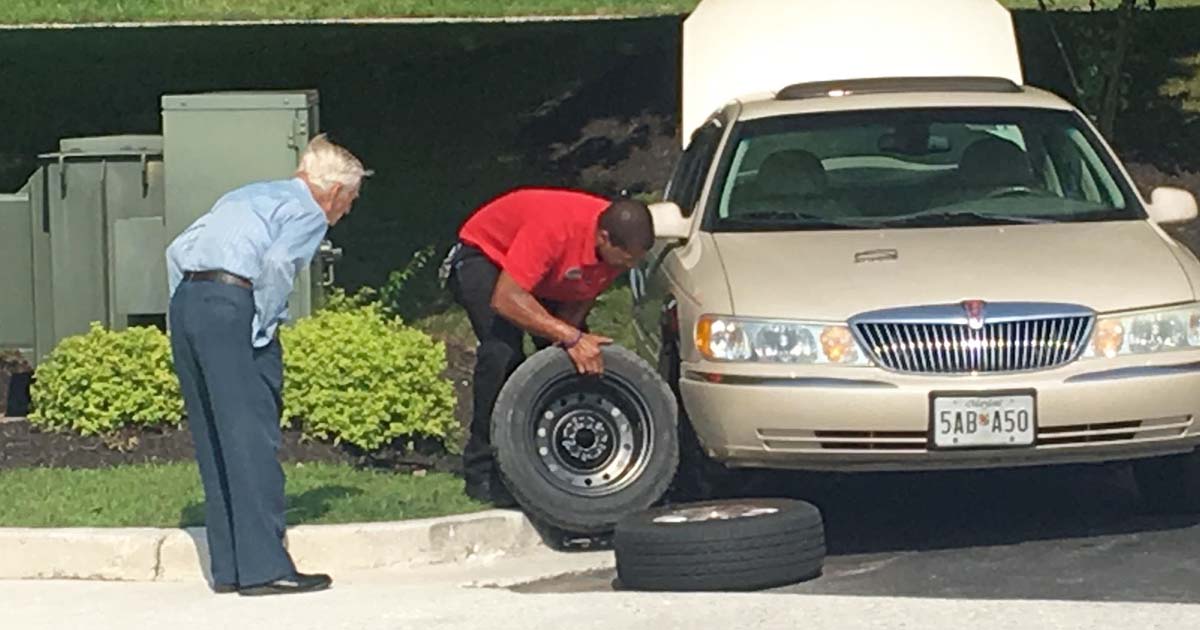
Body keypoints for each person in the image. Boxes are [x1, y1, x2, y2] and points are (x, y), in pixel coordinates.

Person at [165, 134, 370, 596]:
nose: (345, 212)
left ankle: (230, 567)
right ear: (334, 192)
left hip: (189, 302)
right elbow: (277, 264)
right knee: (250, 433)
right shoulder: (309, 212)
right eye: (350, 201)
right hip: (233, 303)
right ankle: (263, 569)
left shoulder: (248, 194)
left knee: (213, 436)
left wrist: (188, 307)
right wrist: (263, 323)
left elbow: (177, 251)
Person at [442, 187, 655, 506]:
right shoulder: (555, 230)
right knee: (503, 353)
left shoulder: (619, 248)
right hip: (487, 256)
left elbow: (584, 291)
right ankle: (483, 470)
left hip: (547, 273)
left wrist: (568, 339)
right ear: (604, 238)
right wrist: (570, 337)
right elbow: (506, 299)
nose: (627, 269)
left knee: (571, 362)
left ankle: (549, 461)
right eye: (624, 260)